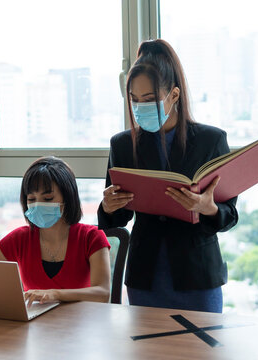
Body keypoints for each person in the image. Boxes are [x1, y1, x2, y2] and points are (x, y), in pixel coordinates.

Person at [98, 39, 238, 313]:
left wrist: (207, 208)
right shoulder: (123, 145)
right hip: (145, 278)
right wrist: (108, 206)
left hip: (198, 277)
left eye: (149, 100)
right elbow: (116, 219)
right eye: (134, 100)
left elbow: (230, 215)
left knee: (201, 354)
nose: (140, 108)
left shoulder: (211, 140)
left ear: (174, 95)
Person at [0, 156, 111, 306]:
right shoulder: (18, 238)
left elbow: (103, 293)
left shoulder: (91, 237)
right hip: (34, 325)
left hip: (82, 323)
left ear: (68, 198)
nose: (38, 205)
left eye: (47, 198)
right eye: (31, 199)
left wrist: (55, 294)